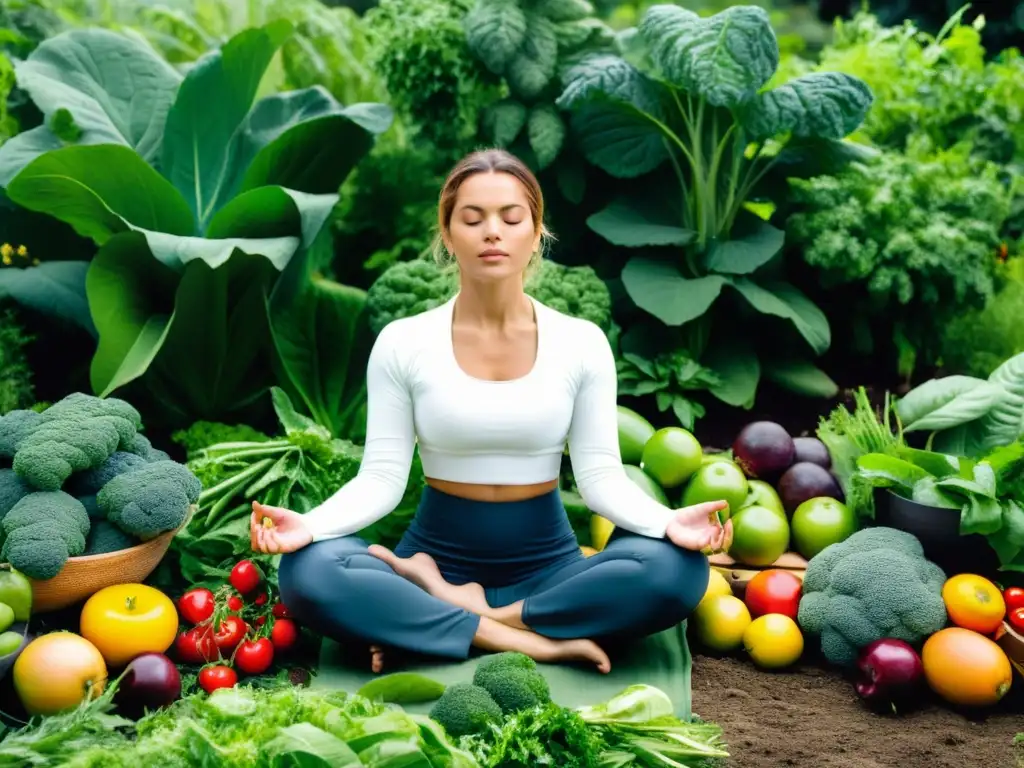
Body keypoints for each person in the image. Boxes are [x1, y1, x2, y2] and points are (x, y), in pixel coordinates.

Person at [251, 148, 732, 674]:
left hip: (550, 572)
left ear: (536, 230)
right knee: (308, 571)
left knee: (677, 568)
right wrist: (310, 526)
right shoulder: (403, 342)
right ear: (448, 232)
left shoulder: (581, 342)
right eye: (473, 218)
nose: (492, 232)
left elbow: (601, 480)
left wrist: (670, 524)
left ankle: (463, 618)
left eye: (511, 217)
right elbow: (382, 479)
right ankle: (534, 641)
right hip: (432, 558)